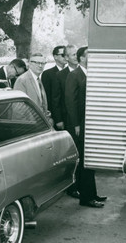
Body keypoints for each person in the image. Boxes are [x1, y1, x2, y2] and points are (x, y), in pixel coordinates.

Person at [65, 46, 106, 208]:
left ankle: (90, 193)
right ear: (82, 58)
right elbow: (70, 102)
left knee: (89, 159)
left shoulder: (91, 74)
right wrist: (76, 124)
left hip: (91, 124)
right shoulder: (74, 75)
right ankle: (87, 198)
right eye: (90, 55)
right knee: (85, 160)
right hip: (80, 125)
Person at [13, 53, 51, 121]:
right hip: (30, 125)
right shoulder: (22, 80)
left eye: (43, 63)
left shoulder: (38, 79)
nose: (40, 66)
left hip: (41, 123)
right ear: (30, 64)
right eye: (37, 63)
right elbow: (18, 108)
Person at [51, 44, 78, 131]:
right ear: (66, 57)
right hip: (66, 118)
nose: (76, 57)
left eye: (77, 54)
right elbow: (56, 100)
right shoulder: (60, 75)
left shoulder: (83, 73)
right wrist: (58, 120)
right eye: (73, 55)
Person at [41, 45, 66, 116]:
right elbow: (47, 98)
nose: (66, 57)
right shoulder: (48, 74)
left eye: (66, 55)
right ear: (55, 57)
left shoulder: (70, 73)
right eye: (63, 55)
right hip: (55, 115)